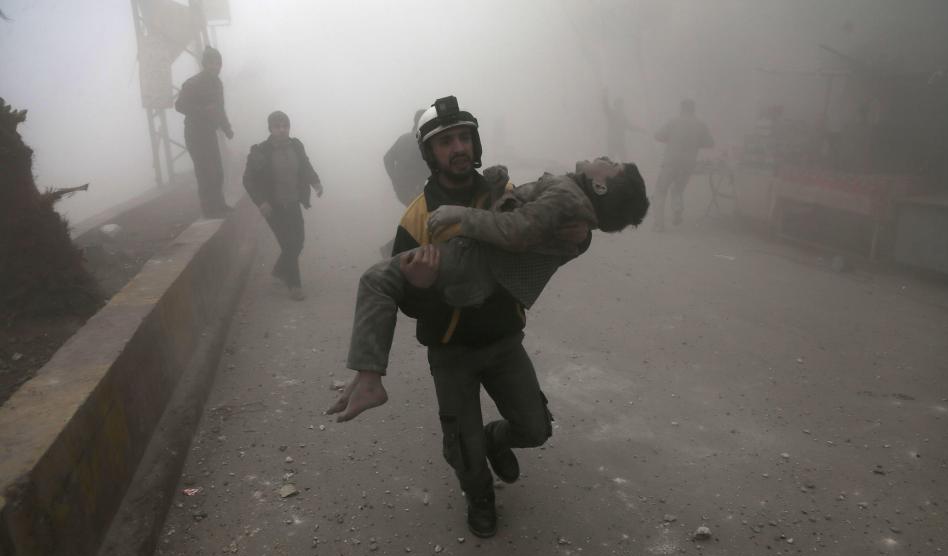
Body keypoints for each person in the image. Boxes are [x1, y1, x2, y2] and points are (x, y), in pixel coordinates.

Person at [333, 96, 644, 539]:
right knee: (464, 448)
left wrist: (582, 239)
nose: (457, 148)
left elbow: (544, 236)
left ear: (474, 143)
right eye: (445, 142)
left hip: (503, 341)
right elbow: (402, 302)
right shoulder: (416, 216)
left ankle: (497, 440)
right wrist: (421, 289)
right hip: (451, 350)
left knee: (535, 428)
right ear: (430, 153)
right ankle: (479, 496)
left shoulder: (498, 192)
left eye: (463, 137)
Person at [328, 157, 647, 423]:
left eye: (613, 165)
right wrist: (498, 188)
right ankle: (367, 375)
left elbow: (518, 230)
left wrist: (460, 214)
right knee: (388, 281)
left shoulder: (568, 197)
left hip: (475, 264)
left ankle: (370, 381)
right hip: (476, 285)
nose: (607, 158)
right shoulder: (575, 205)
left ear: (601, 185)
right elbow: (528, 221)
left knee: (376, 279)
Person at [242, 111, 323, 300]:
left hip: (293, 202)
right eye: (277, 126)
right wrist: (261, 202)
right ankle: (295, 285)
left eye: (285, 126)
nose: (282, 130)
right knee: (289, 243)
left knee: (299, 241)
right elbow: (248, 180)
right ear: (270, 128)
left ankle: (279, 269)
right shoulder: (260, 151)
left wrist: (316, 182)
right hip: (273, 207)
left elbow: (305, 165)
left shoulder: (296, 145)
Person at [175, 46, 234, 218]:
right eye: (211, 63)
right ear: (205, 64)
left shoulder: (217, 84)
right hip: (195, 133)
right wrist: (202, 110)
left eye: (218, 63)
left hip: (209, 133)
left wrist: (227, 128)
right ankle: (209, 209)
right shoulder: (192, 83)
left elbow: (219, 109)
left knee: (217, 170)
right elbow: (179, 106)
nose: (215, 67)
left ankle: (219, 204)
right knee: (205, 171)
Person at [651, 98, 714, 230]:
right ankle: (677, 209)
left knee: (660, 191)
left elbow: (658, 136)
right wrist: (696, 142)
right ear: (693, 109)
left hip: (671, 162)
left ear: (681, 108)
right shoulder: (700, 124)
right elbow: (710, 143)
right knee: (678, 189)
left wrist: (671, 139)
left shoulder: (673, 122)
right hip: (688, 164)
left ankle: (659, 224)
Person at [383, 109, 431, 207]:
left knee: (414, 215)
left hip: (404, 191)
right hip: (421, 191)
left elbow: (387, 159)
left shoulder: (403, 138)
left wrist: (395, 179)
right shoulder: (426, 140)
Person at [601, 88, 642, 162]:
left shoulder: (622, 117)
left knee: (623, 160)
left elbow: (630, 126)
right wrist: (605, 95)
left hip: (619, 141)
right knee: (611, 160)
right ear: (616, 105)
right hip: (613, 141)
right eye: (620, 105)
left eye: (621, 105)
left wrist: (640, 129)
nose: (621, 106)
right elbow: (606, 107)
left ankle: (623, 171)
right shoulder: (612, 114)